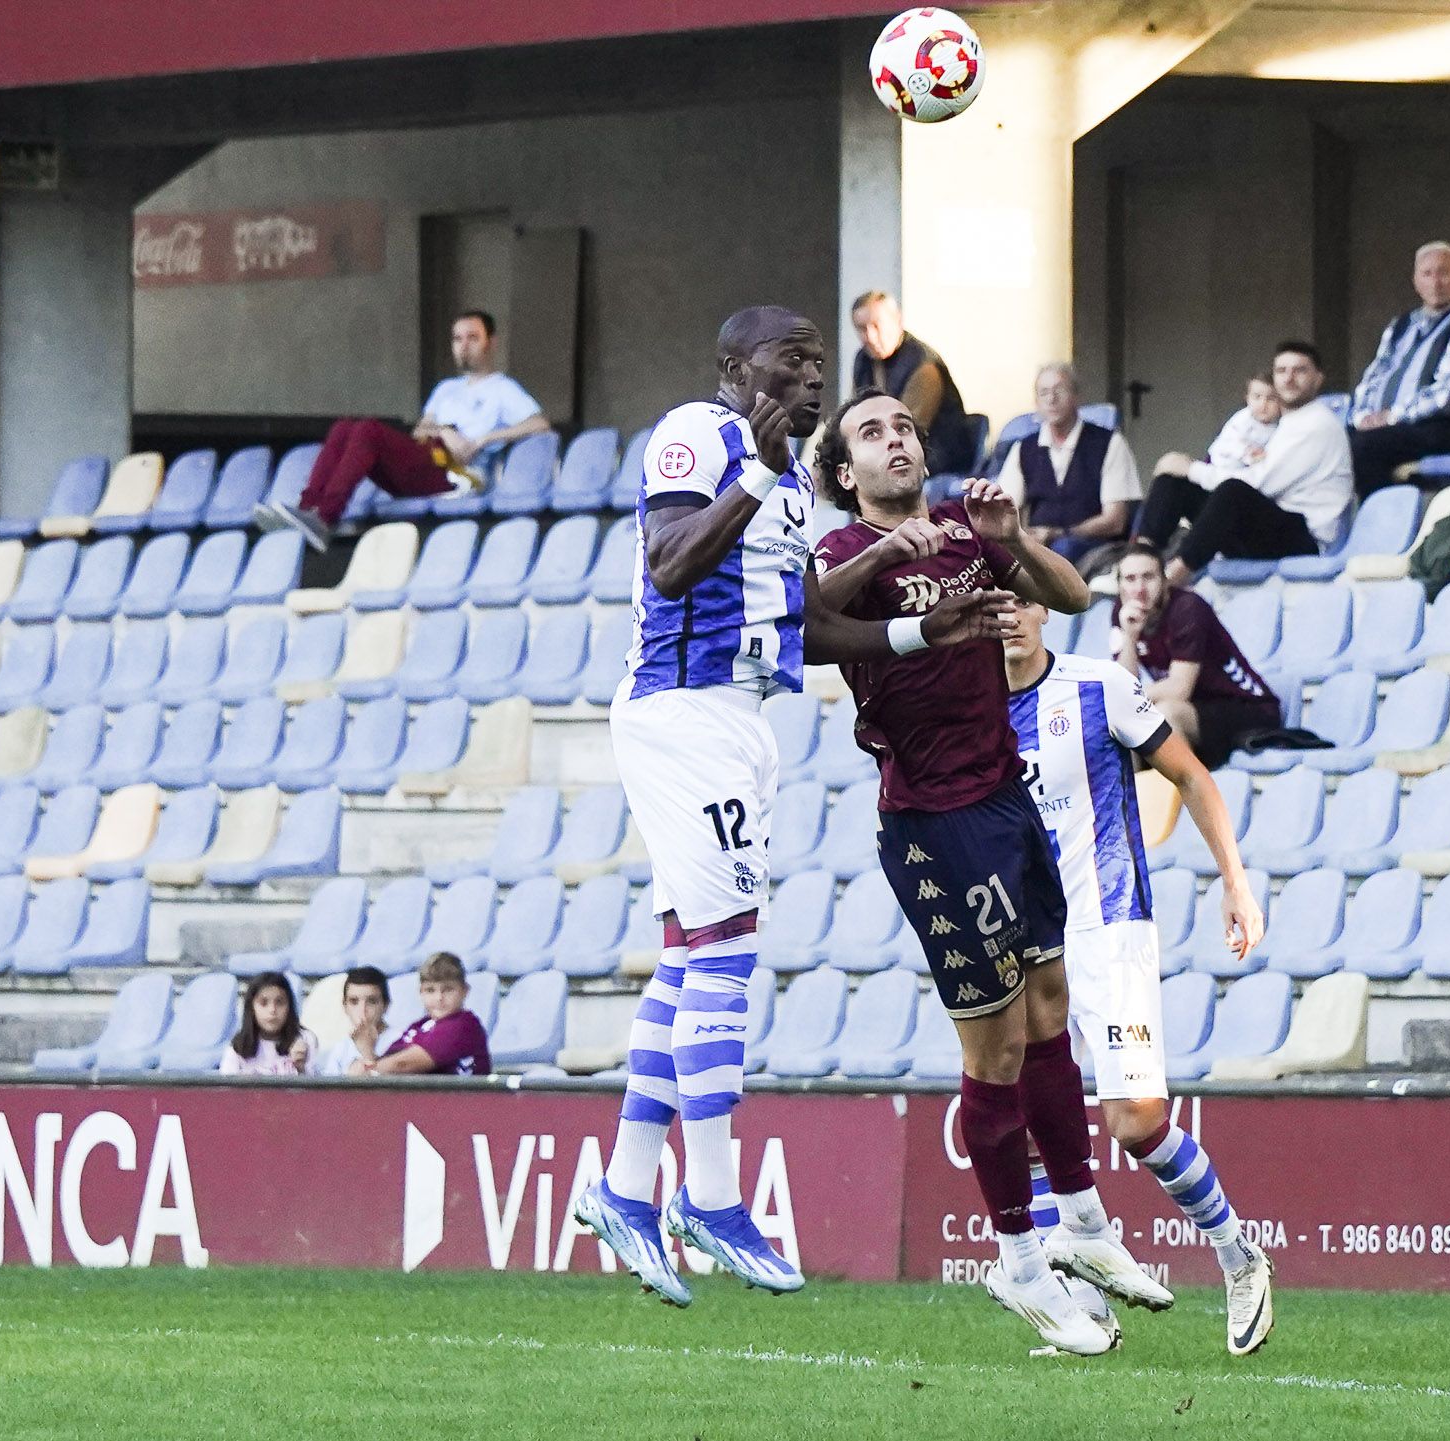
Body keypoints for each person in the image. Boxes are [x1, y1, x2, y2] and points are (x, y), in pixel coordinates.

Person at [569, 306, 1007, 1311]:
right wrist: (759, 472)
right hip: (683, 711)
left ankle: (627, 1187)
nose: (812, 375)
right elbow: (671, 563)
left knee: (689, 953)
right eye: (789, 360)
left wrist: (917, 634)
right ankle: (712, 1196)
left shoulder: (797, 488)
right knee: (725, 949)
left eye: (818, 362)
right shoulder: (697, 435)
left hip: (741, 719)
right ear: (735, 367)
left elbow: (807, 625)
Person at [812, 388, 1160, 1358]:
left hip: (1005, 804)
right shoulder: (844, 552)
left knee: (1050, 1009)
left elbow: (1074, 596)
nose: (895, 442)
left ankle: (1084, 1227)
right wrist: (890, 552)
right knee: (995, 1047)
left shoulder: (966, 529)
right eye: (872, 433)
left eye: (903, 428)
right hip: (930, 824)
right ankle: (1014, 1258)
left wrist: (1008, 537)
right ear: (845, 472)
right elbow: (805, 628)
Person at [1001, 599, 1275, 1355]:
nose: (1010, 618)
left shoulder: (1100, 686)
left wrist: (1235, 881)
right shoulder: (970, 710)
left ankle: (1237, 1255)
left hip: (1109, 923)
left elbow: (1189, 775)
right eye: (995, 605)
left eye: (1022, 602)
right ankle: (1088, 1309)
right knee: (1036, 1127)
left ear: (1043, 612)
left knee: (1134, 1121)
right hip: (1028, 937)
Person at [254, 311, 552, 550]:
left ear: (491, 343)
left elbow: (540, 423)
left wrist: (486, 438)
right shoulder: (446, 389)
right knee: (345, 427)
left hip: (454, 470)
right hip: (426, 457)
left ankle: (326, 515)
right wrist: (444, 429)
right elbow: (421, 429)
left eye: (473, 338)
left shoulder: (502, 388)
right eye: (458, 339)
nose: (464, 346)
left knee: (369, 429)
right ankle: (309, 509)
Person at [1133, 341, 1352, 580]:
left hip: (1306, 539)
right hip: (1270, 526)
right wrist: (1185, 472)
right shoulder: (1286, 422)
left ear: (1318, 379)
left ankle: (1170, 581)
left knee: (1232, 492)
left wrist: (1192, 468)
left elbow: (1257, 484)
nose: (1289, 378)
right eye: (1281, 371)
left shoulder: (1316, 424)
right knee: (1174, 482)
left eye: (1300, 371)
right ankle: (1137, 561)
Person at [1108, 544, 1282, 766]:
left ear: (1164, 580)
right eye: (1130, 579)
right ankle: (1135, 799)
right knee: (1122, 725)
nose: (1139, 589)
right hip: (1197, 709)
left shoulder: (1187, 608)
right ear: (1120, 585)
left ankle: (1185, 799)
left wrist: (1126, 702)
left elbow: (1179, 689)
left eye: (1148, 577)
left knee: (1165, 713)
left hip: (1248, 709)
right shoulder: (1122, 613)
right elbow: (1127, 683)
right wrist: (1130, 637)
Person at [1347, 242, 1450, 489]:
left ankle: (1390, 521)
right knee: (1329, 443)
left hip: (1441, 429)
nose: (1435, 282)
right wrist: (1362, 416)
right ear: (1415, 281)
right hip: (1390, 428)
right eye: (1427, 274)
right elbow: (1374, 377)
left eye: (1444, 272)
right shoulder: (1401, 325)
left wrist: (1393, 416)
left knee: (1364, 448)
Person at [990, 363, 1141, 566]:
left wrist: (1057, 534)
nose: (1051, 399)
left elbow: (1115, 521)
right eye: (1044, 393)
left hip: (1095, 546)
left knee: (1063, 549)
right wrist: (1022, 537)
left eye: (1059, 390)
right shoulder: (1024, 448)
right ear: (1036, 402)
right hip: (1038, 544)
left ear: (1077, 397)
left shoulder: (1108, 443)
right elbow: (1004, 508)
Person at [849, 289, 973, 478]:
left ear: (897, 321)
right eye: (861, 328)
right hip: (888, 456)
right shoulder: (863, 360)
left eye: (876, 325)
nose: (870, 336)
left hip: (935, 464)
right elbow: (854, 414)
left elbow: (906, 429)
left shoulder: (923, 365)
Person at [357, 954, 490, 1076]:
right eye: (430, 990)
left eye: (448, 989)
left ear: (465, 991)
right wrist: (367, 1053)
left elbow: (401, 1065)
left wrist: (368, 1068)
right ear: (421, 992)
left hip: (462, 1100)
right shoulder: (420, 1026)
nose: (439, 998)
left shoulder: (464, 1025)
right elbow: (385, 1062)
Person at [1153, 376, 1282, 496]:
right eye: (1257, 397)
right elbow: (1230, 441)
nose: (1263, 404)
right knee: (1168, 474)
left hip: (1242, 485)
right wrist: (1246, 453)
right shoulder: (1243, 419)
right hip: (1219, 465)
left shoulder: (1280, 428)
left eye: (1271, 399)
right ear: (1247, 398)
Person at [221, 972, 312, 1076]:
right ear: (251, 1008)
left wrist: (301, 1068)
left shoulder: (305, 1041)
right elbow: (225, 1089)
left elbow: (318, 1089)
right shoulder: (238, 1048)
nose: (272, 1010)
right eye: (263, 1003)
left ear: (289, 1007)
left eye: (280, 1002)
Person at [313, 966, 391, 1077]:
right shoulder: (341, 1048)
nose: (362, 1010)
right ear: (345, 1006)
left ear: (386, 1005)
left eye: (371, 1001)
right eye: (354, 1002)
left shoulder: (401, 1041)